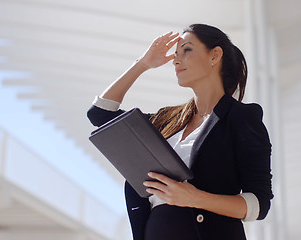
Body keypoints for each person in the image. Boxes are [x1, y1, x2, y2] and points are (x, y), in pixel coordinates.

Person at [87, 24, 273, 240]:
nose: (176, 60)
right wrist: (143, 64)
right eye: (175, 54)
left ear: (215, 55)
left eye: (186, 50)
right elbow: (99, 114)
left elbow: (259, 204)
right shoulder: (167, 119)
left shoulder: (240, 117)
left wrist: (195, 198)